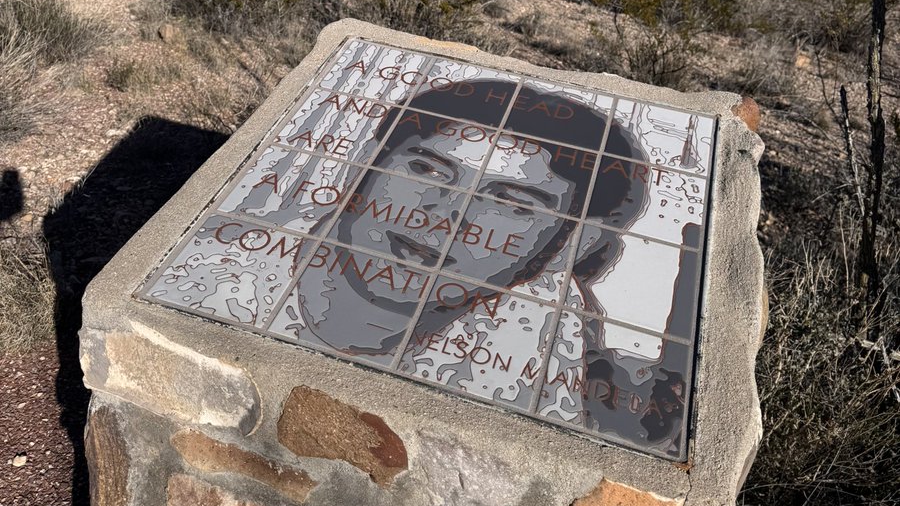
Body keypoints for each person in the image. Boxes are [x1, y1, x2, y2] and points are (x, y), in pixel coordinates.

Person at [275, 77, 693, 453]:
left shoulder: (564, 368)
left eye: (510, 202)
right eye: (428, 169)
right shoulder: (227, 259)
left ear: (572, 243)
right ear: (365, 163)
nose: (447, 215)